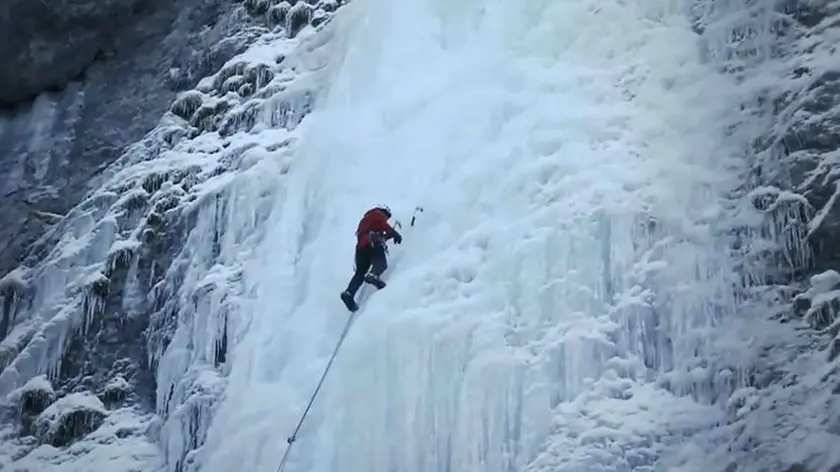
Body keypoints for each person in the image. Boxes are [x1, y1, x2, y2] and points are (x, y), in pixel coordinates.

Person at [340, 205, 403, 312]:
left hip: (361, 247)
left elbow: (382, 232)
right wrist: (395, 233)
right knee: (381, 264)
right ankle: (373, 275)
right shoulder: (377, 213)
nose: (387, 218)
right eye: (387, 216)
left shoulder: (366, 221)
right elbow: (383, 225)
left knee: (360, 272)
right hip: (372, 240)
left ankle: (349, 293)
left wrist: (390, 235)